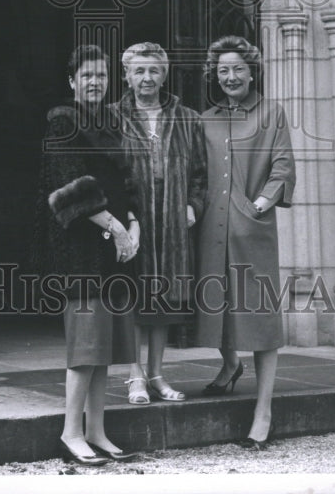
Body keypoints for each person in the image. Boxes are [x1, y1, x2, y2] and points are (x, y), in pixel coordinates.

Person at [37, 45, 139, 466]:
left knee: (106, 347)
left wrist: (133, 226)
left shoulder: (109, 125)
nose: (95, 82)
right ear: (72, 82)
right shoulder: (63, 124)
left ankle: (97, 430)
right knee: (85, 348)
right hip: (81, 251)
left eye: (101, 75)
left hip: (113, 250)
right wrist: (116, 228)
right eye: (87, 76)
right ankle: (71, 432)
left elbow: (125, 182)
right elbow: (71, 189)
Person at [196, 35, 296, 450]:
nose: (231, 76)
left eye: (238, 68)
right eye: (223, 70)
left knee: (259, 317)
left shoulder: (272, 113)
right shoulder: (205, 119)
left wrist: (258, 205)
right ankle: (229, 366)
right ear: (214, 76)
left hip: (252, 228)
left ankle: (263, 411)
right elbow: (197, 174)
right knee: (215, 306)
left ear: (252, 70)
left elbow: (283, 166)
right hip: (210, 229)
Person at [111, 42, 207, 404]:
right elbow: (109, 173)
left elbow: (200, 172)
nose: (146, 77)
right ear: (126, 75)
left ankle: (157, 375)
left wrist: (193, 205)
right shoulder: (111, 117)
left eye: (154, 70)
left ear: (164, 74)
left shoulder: (188, 118)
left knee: (164, 301)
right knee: (134, 297)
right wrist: (123, 218)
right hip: (132, 221)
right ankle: (135, 377)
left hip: (171, 222)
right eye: (139, 70)